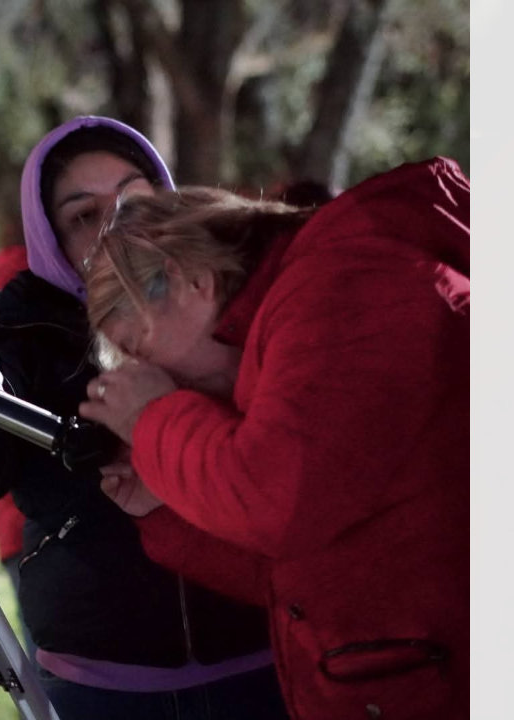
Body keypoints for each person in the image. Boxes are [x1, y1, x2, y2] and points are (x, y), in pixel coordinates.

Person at [0, 116, 286, 720]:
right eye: (85, 215)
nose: (119, 228)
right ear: (50, 239)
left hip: (259, 652)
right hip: (102, 679)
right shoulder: (19, 335)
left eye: (135, 200)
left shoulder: (237, 302)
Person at [78, 158, 469, 719]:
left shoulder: (345, 288)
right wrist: (164, 508)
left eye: (137, 346)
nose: (150, 372)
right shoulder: (306, 305)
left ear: (191, 279)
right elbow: (299, 574)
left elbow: (276, 501)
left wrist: (153, 419)